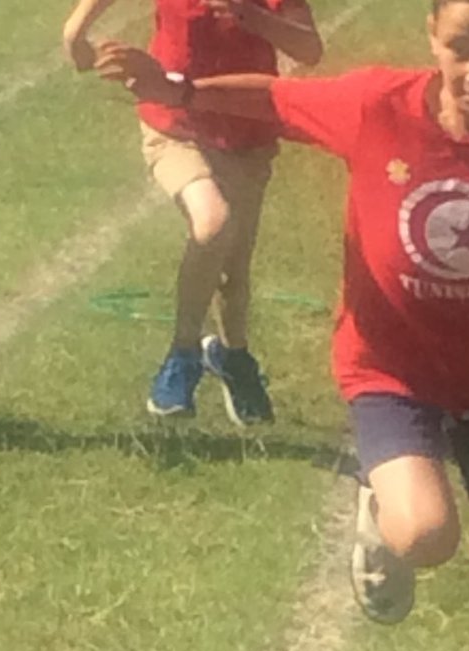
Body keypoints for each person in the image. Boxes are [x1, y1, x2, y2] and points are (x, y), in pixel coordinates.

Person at [95, 0, 469, 651]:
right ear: (431, 37)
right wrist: (175, 89)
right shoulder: (379, 105)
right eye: (461, 49)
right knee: (428, 535)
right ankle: (384, 511)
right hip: (389, 366)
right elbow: (272, 99)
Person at [63, 0, 323, 423]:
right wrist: (76, 30)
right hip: (174, 125)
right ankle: (182, 353)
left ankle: (233, 356)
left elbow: (310, 49)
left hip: (245, 132)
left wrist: (249, 15)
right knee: (213, 222)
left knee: (233, 271)